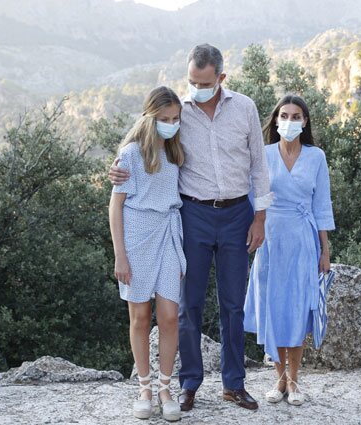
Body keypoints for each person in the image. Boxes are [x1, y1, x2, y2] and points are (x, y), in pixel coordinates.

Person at [109, 44, 272, 412]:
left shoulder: (244, 108)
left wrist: (260, 217)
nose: (196, 87)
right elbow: (145, 140)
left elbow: (259, 165)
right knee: (187, 305)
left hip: (237, 215)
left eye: (203, 81)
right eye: (191, 81)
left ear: (221, 78)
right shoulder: (178, 112)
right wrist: (116, 167)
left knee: (234, 304)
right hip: (192, 215)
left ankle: (234, 384)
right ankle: (188, 384)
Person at [243, 95, 335, 406]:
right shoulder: (265, 155)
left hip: (303, 239)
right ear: (276, 120)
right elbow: (252, 197)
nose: (290, 121)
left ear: (305, 121)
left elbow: (321, 206)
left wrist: (325, 249)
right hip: (271, 239)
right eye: (285, 115)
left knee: (298, 309)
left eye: (296, 116)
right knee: (274, 308)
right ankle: (278, 378)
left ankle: (294, 380)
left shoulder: (316, 157)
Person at [109, 86, 186, 422]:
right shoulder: (129, 155)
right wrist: (120, 255)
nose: (170, 124)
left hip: (169, 234)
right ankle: (144, 388)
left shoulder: (176, 151)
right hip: (137, 238)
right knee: (140, 318)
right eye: (164, 119)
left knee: (169, 316)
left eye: (175, 119)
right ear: (150, 117)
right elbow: (116, 206)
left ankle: (166, 387)